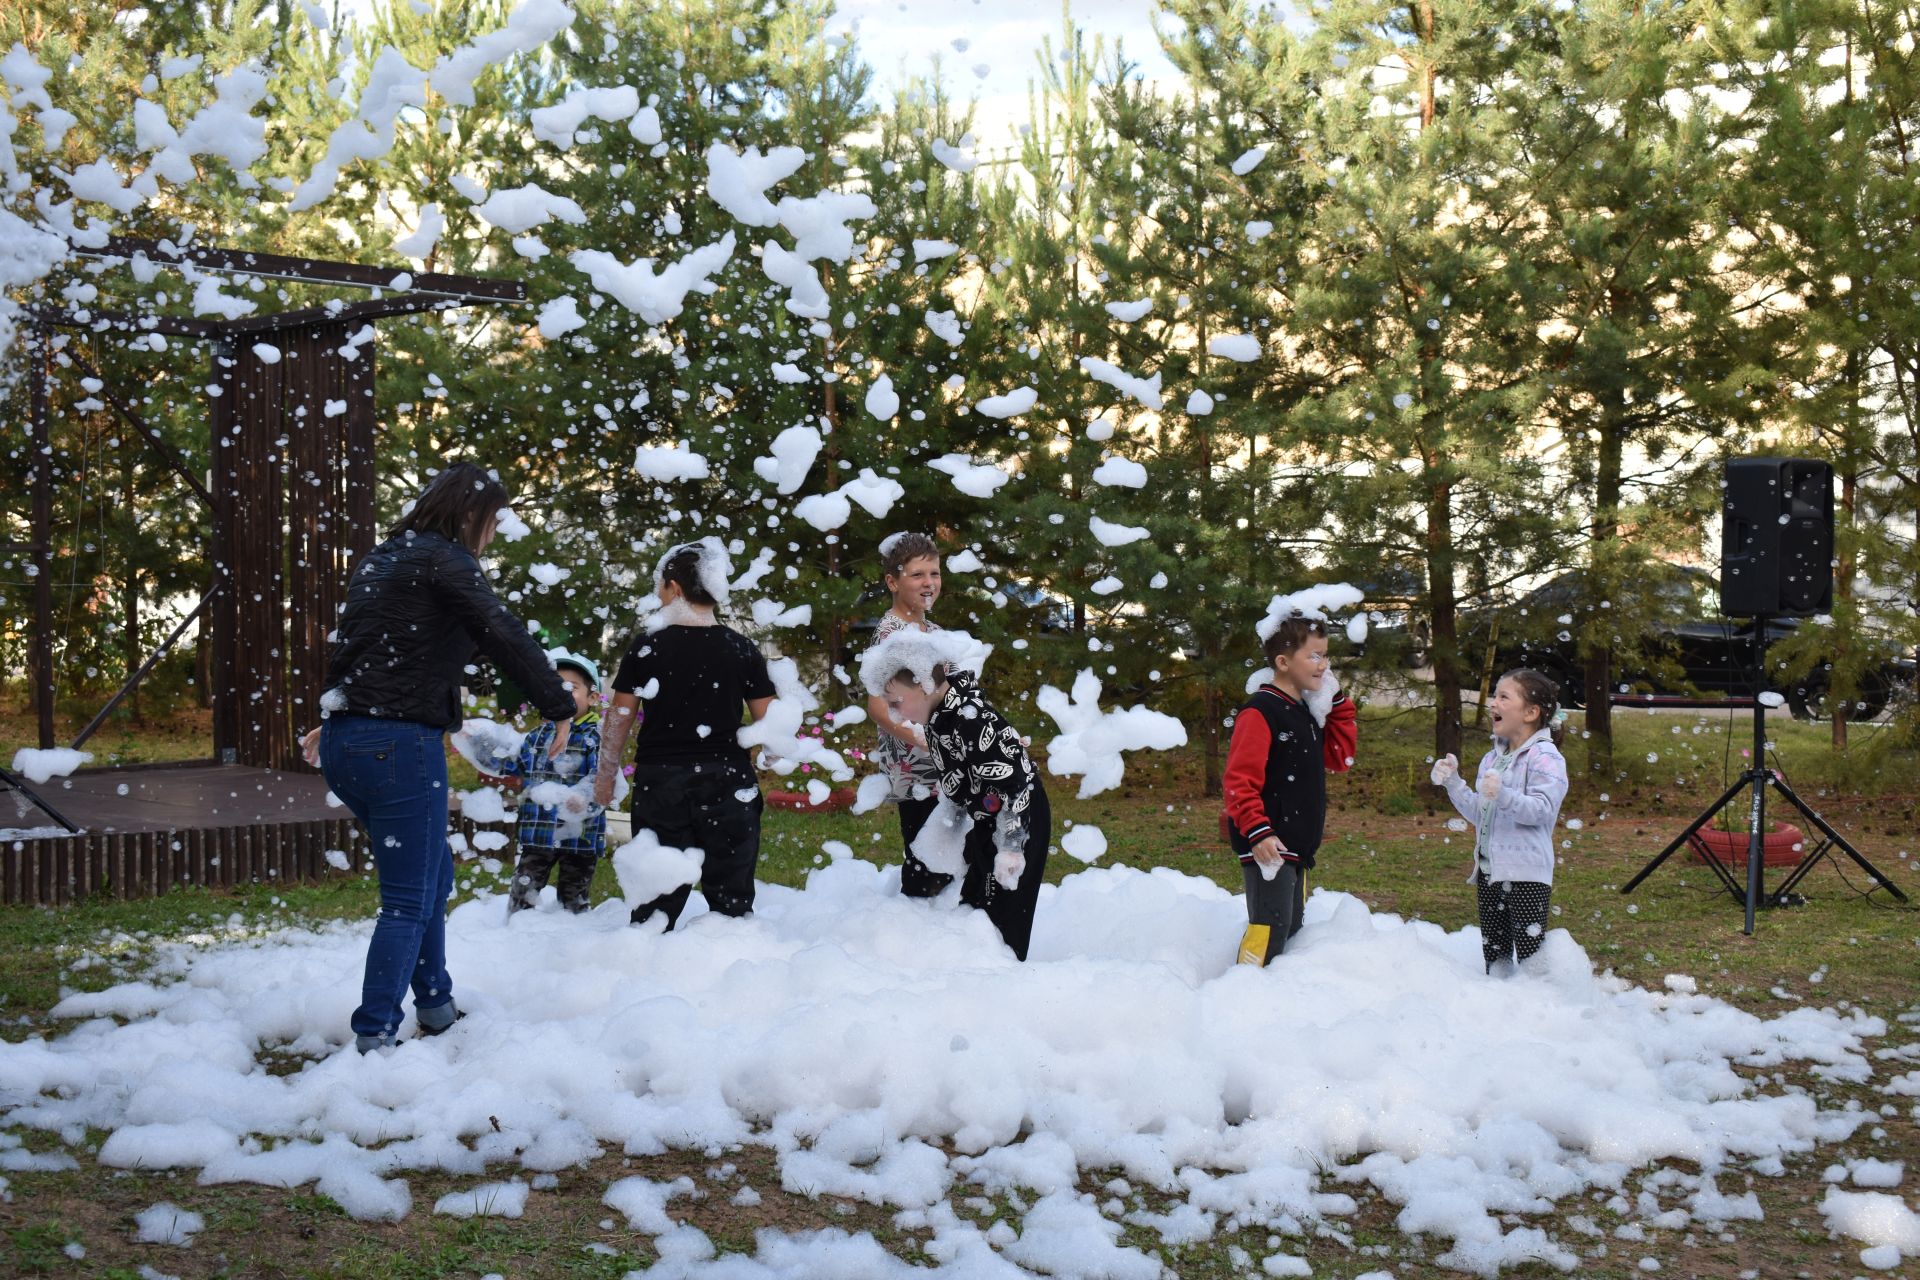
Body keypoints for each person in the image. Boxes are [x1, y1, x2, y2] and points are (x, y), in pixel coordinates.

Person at [301, 462, 576, 1054]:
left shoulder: (383, 557)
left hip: (351, 741)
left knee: (431, 876)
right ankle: (375, 1034)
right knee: (407, 898)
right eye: (494, 523)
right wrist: (557, 702)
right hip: (397, 744)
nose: (494, 536)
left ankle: (437, 1006)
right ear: (473, 515)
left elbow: (361, 645)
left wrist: (333, 718)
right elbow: (500, 630)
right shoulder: (447, 559)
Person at [592, 538, 774, 930]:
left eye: (659, 586)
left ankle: (652, 969)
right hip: (728, 779)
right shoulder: (740, 648)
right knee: (732, 896)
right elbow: (770, 722)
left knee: (654, 901)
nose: (657, 596)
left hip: (662, 782)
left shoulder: (647, 647)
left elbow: (619, 717)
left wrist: (606, 774)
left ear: (674, 587)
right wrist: (770, 756)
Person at [867, 633, 1051, 961]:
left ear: (924, 685)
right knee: (975, 905)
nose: (895, 715)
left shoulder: (970, 719)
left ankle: (1004, 977)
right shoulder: (940, 717)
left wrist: (1011, 848)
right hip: (988, 815)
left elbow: (1016, 786)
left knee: (1002, 914)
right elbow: (961, 780)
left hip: (1018, 817)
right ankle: (972, 977)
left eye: (896, 702)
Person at [1221, 614, 1359, 966]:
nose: (1324, 665)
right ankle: (1243, 990)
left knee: (1291, 928)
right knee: (1268, 931)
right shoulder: (1261, 712)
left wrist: (1337, 701)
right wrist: (1258, 831)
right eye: (1314, 656)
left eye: (1326, 656)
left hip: (1295, 848)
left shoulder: (1306, 713)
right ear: (1283, 662)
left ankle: (1274, 1003)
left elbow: (1341, 758)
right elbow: (1239, 781)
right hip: (1268, 845)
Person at [1432, 668, 1570, 975]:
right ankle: (1498, 1010)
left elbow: (1542, 811)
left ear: (1531, 712)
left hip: (1527, 875)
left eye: (1503, 697)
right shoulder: (1491, 759)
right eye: (1494, 695)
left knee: (1532, 959)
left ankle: (1539, 1011)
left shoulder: (1546, 757)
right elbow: (1480, 811)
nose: (1493, 704)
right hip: (1488, 871)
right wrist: (1453, 782)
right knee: (1495, 957)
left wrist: (1503, 794)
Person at [475, 650, 605, 916]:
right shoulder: (537, 736)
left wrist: (584, 798)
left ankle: (571, 941)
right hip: (539, 832)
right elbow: (510, 763)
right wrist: (478, 743)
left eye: (571, 687)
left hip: (581, 835)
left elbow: (604, 777)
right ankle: (517, 935)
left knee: (574, 899)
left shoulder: (595, 738)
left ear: (593, 698)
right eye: (555, 687)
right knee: (523, 892)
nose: (561, 692)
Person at [863, 532, 951, 897]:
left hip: (945, 760)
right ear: (892, 581)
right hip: (914, 767)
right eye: (917, 575)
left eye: (934, 573)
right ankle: (912, 932)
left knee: (949, 853)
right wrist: (921, 738)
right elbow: (878, 705)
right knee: (926, 862)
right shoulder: (890, 635)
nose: (928, 583)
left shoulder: (933, 630)